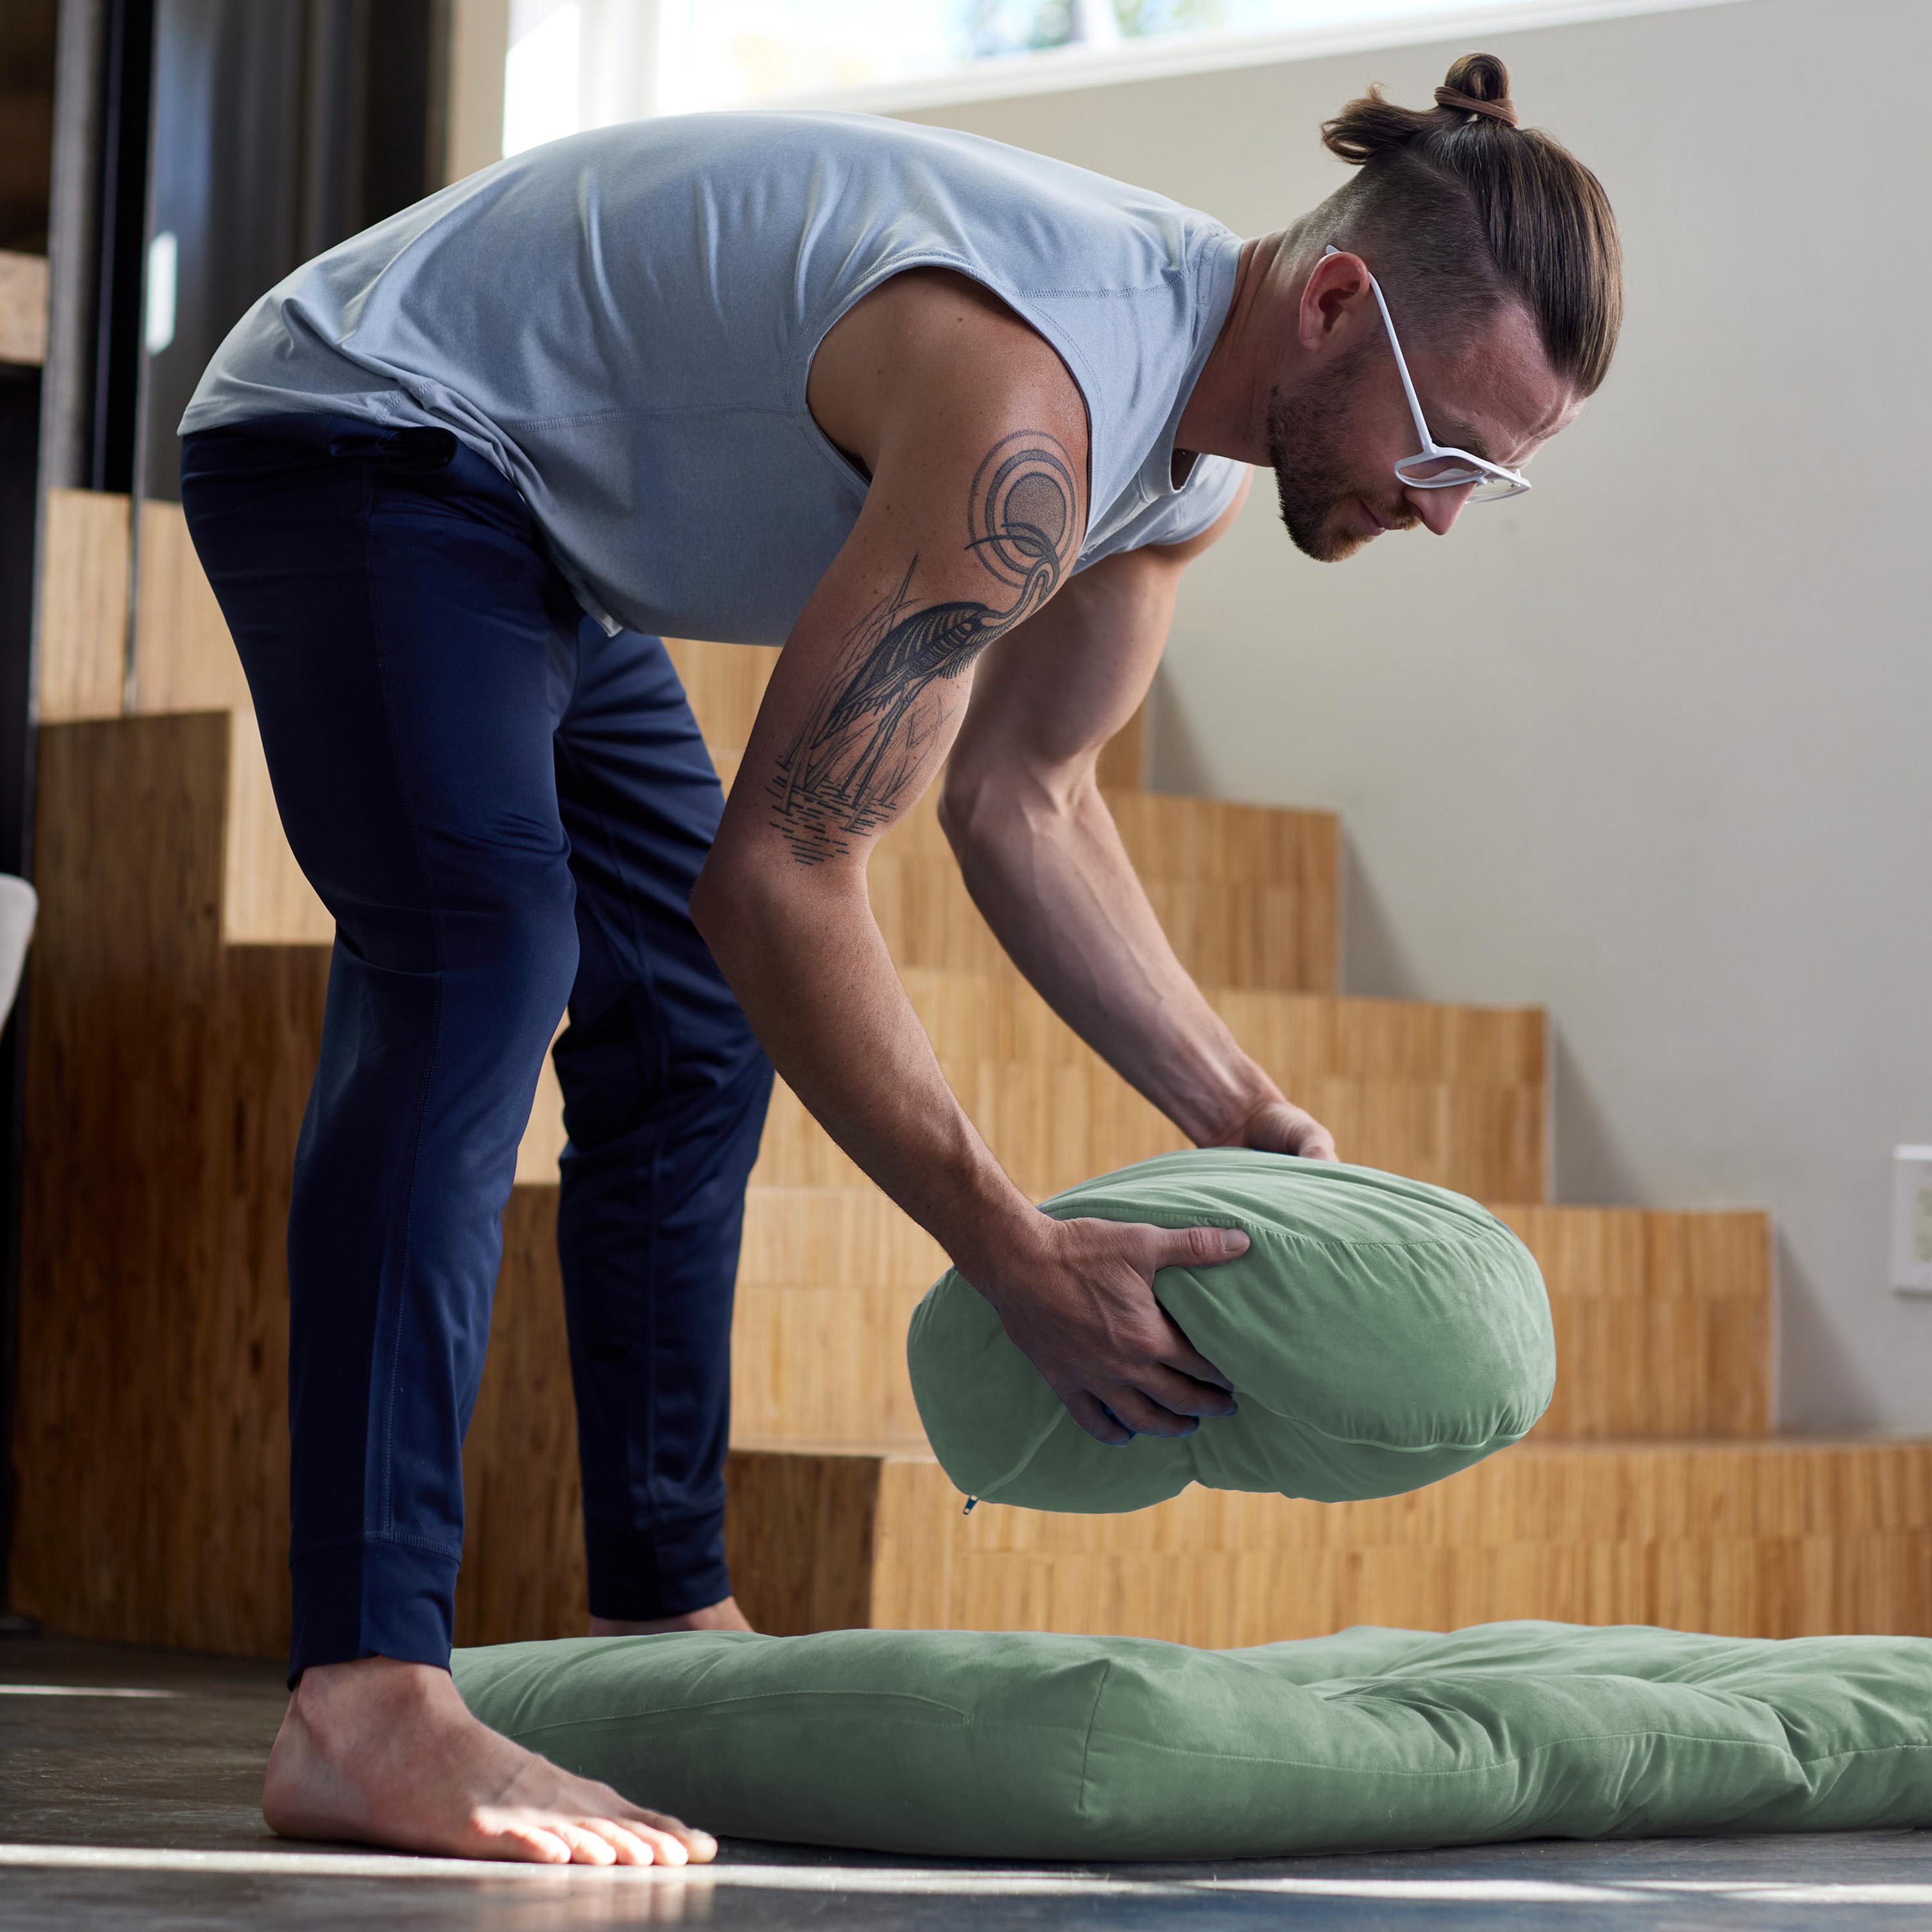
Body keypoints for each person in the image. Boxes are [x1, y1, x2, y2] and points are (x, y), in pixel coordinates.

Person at [176, 49, 1620, 1866]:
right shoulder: (1035, 407)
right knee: (483, 954)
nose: (1441, 510)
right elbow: (783, 879)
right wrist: (1010, 1250)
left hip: (534, 523)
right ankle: (365, 1698)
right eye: (1445, 449)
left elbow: (1027, 803)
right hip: (369, 422)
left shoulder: (1185, 474)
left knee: (694, 1032)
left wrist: (1250, 1116)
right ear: (1336, 302)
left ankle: (663, 1626)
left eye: (1494, 477)